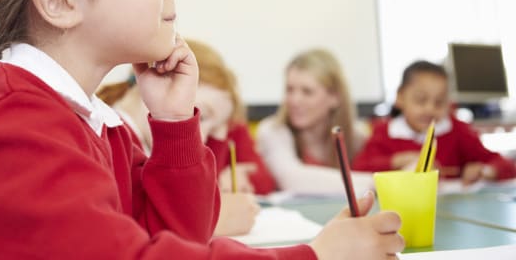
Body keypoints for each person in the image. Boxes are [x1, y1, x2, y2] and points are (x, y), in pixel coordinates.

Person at [0, 0, 404, 258]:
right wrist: (315, 255)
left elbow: (178, 237)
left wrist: (175, 121)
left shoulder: (98, 124)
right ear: (59, 1)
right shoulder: (12, 123)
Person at [97, 38, 275, 236]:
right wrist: (214, 222)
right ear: (161, 84)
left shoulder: (139, 142)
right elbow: (120, 232)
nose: (204, 138)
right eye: (203, 116)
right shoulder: (113, 140)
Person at [352, 60, 516, 184]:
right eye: (420, 100)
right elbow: (358, 169)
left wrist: (486, 171)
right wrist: (397, 161)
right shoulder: (385, 132)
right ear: (400, 97)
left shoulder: (457, 131)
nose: (430, 109)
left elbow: (506, 165)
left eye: (439, 102)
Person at [256, 49, 374, 196]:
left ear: (335, 97)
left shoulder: (357, 135)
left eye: (307, 91)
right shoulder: (272, 130)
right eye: (290, 89)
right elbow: (292, 179)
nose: (294, 100)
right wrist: (376, 182)